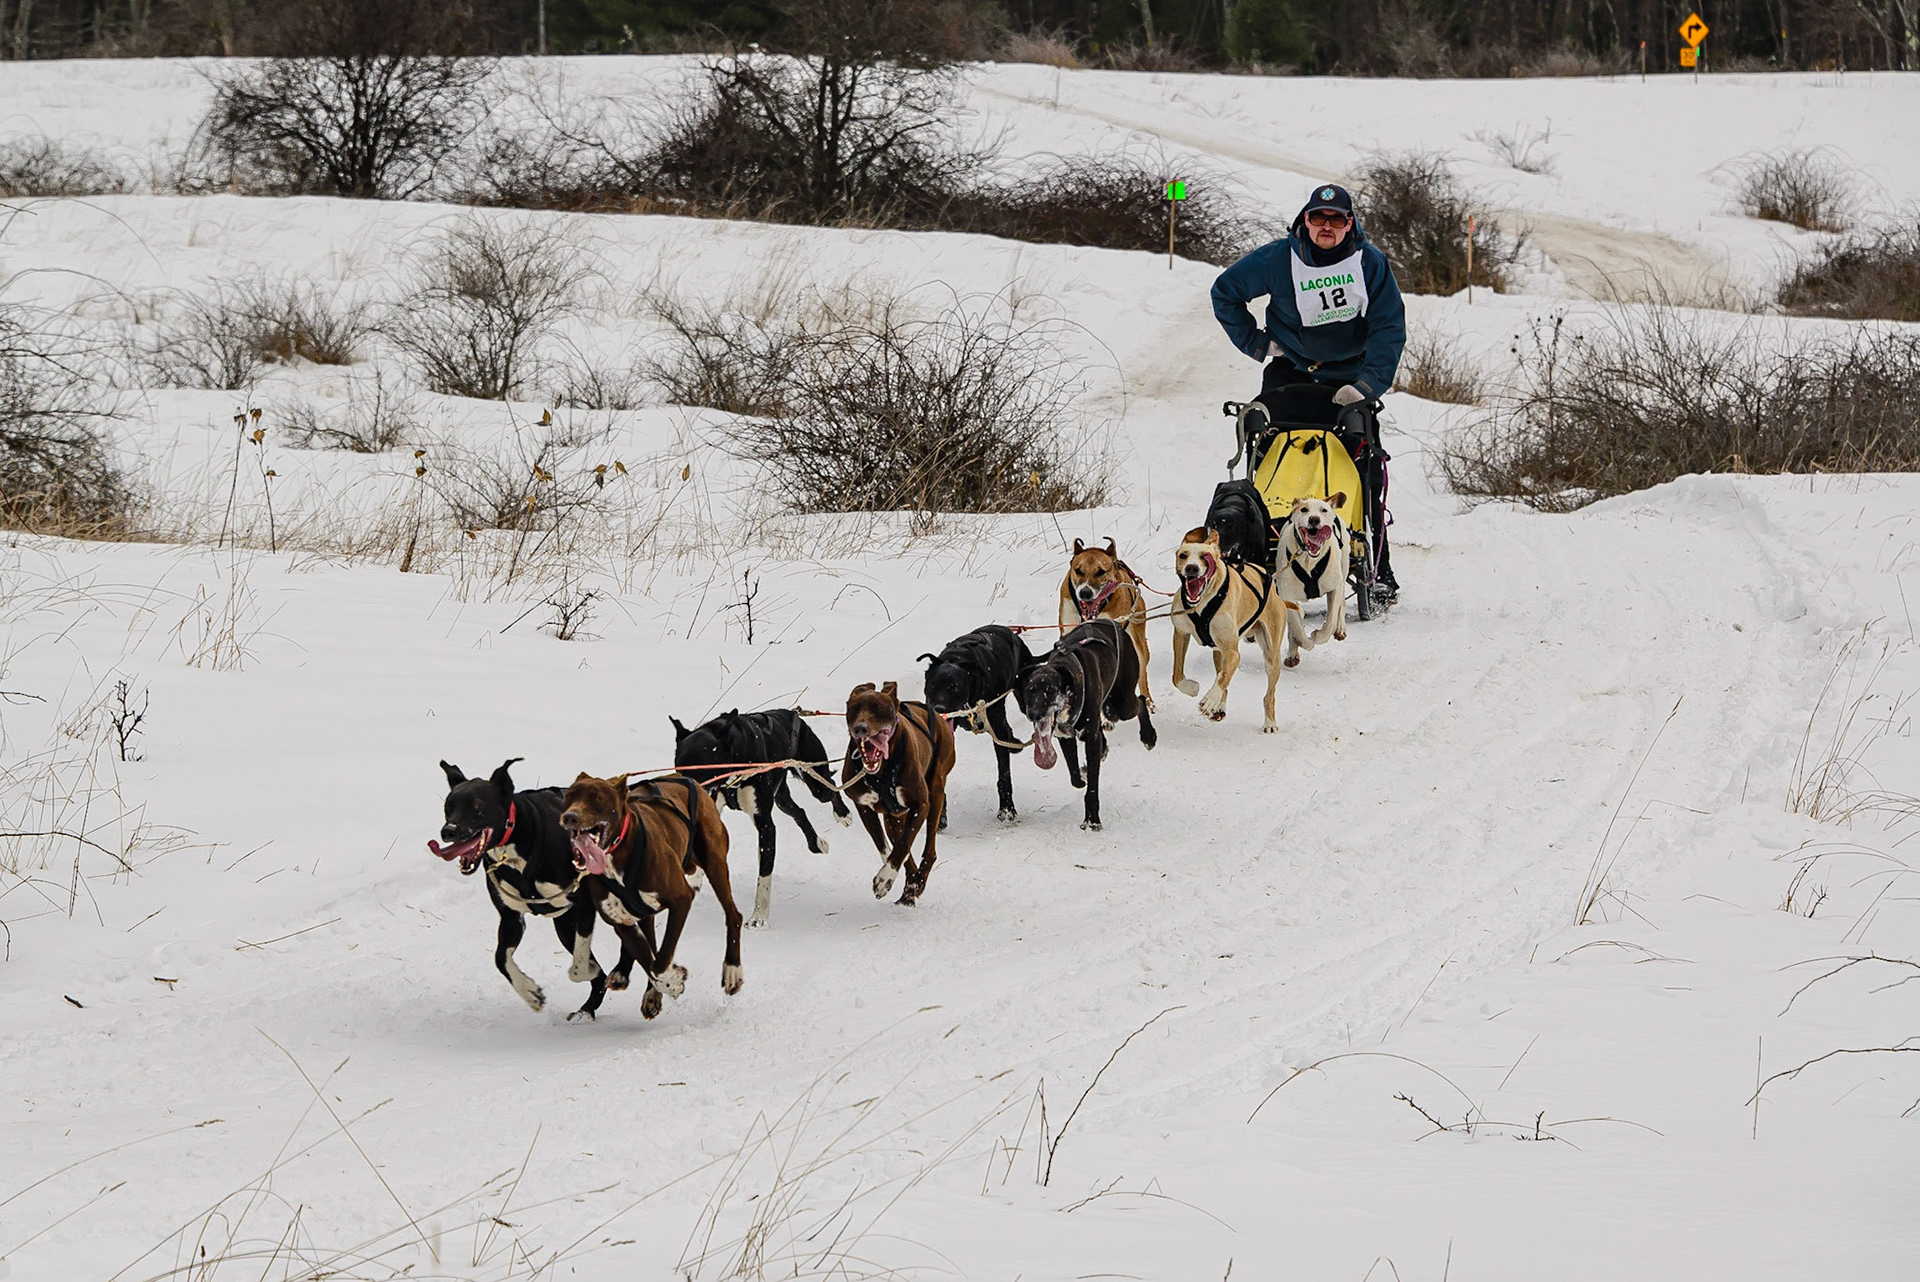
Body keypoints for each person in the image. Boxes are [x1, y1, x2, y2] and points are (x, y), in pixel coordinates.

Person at [1211, 183, 1405, 600]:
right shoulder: (1279, 258)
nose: (1327, 226)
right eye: (1319, 218)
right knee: (1267, 454)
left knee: (1366, 467)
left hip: (1348, 379)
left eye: (1337, 219)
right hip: (1290, 371)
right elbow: (1225, 292)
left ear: (1350, 223)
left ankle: (1378, 565)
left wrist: (1369, 383)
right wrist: (1258, 344)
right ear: (1305, 221)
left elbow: (1390, 326)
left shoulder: (1369, 263)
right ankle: (1256, 550)